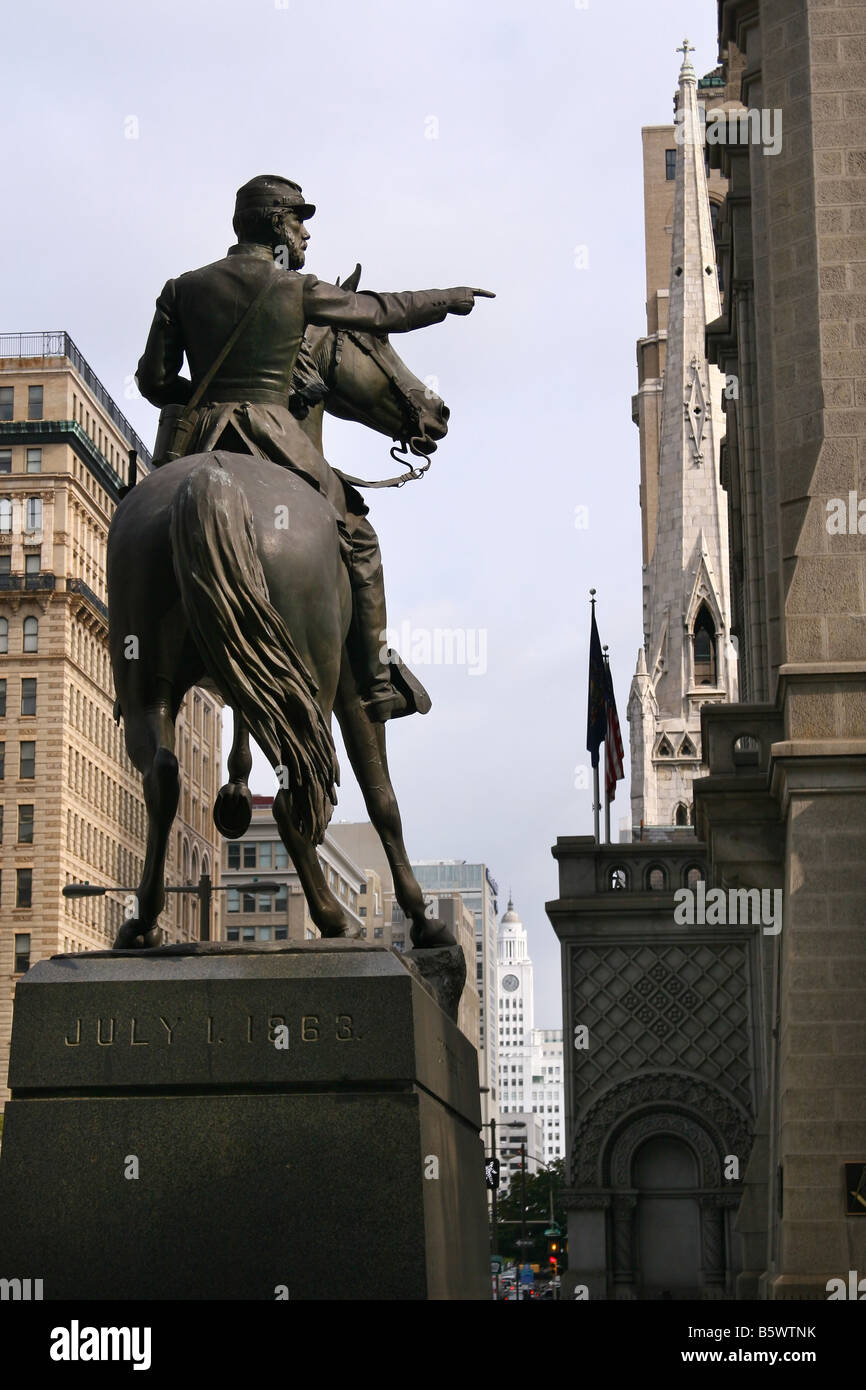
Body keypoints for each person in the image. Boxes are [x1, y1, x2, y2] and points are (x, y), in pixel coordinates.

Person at [136, 174, 493, 720]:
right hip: (275, 434)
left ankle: (139, 671)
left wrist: (210, 398)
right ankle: (376, 681)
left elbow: (154, 382)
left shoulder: (182, 288)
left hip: (202, 437)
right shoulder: (295, 290)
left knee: (140, 519)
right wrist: (447, 298)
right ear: (277, 223)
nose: (306, 234)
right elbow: (379, 312)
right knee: (357, 532)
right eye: (300, 220)